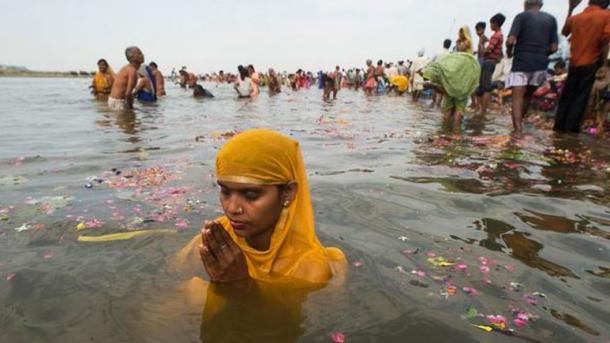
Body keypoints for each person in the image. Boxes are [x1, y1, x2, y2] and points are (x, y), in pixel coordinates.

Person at [554, 0, 610, 133]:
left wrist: (570, 9)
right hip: (591, 62)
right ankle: (570, 131)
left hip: (574, 64)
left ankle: (558, 128)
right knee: (580, 98)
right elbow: (605, 42)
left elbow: (564, 32)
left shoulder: (576, 17)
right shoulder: (606, 15)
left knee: (567, 96)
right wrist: (604, 64)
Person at [506, 0, 558, 134]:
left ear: (525, 5)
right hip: (540, 63)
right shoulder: (551, 19)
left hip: (522, 61)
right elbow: (554, 47)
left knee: (517, 96)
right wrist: (542, 53)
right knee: (527, 96)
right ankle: (519, 125)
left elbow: (510, 40)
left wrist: (509, 51)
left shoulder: (521, 17)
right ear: (540, 5)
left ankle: (517, 130)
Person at [423, 52, 481, 130]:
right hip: (460, 90)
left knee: (450, 115)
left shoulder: (441, 76)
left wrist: (434, 86)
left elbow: (445, 92)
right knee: (455, 116)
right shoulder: (445, 68)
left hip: (459, 91)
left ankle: (448, 132)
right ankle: (454, 133)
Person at [477, 13, 506, 116]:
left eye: (491, 23)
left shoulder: (496, 35)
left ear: (496, 23)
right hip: (489, 61)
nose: (490, 26)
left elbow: (488, 50)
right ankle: (481, 109)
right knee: (481, 87)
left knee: (486, 86)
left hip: (489, 62)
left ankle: (483, 111)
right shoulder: (499, 34)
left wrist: (482, 46)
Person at [108, 46, 144, 110]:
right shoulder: (132, 70)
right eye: (139, 53)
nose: (142, 55)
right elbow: (128, 94)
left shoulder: (127, 68)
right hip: (118, 102)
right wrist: (131, 107)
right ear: (132, 57)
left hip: (115, 101)